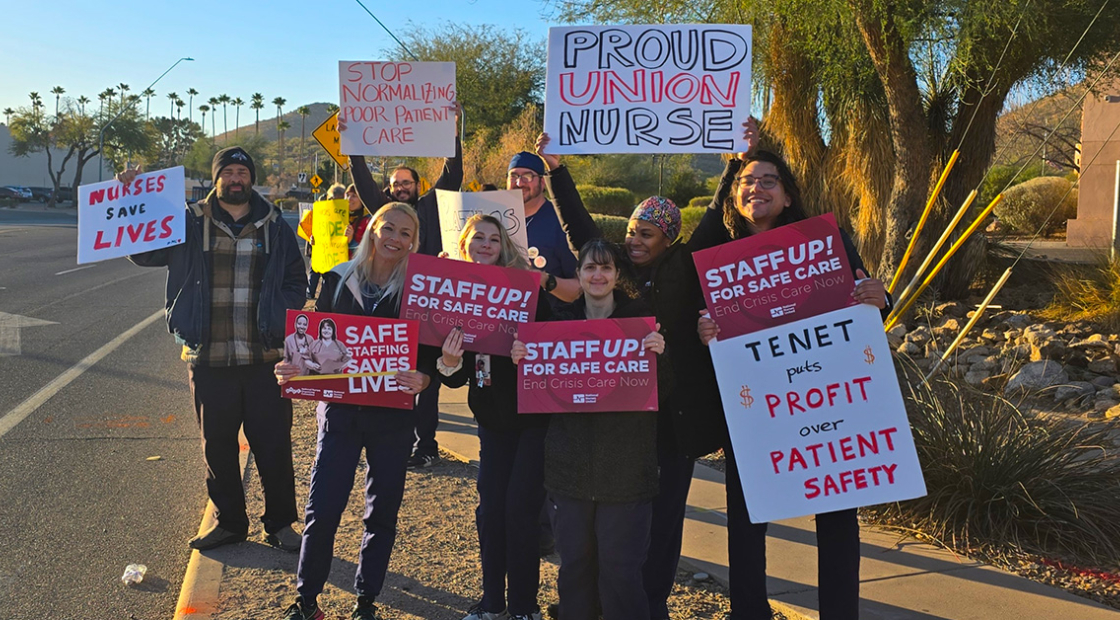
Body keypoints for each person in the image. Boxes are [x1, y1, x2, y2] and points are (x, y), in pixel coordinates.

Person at [541, 120, 758, 618]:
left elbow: (713, 217)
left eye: (647, 233)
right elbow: (579, 230)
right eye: (632, 231)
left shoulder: (686, 266)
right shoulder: (615, 267)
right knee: (615, 525)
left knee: (664, 524)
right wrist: (557, 170)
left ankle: (650, 605)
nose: (635, 240)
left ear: (669, 238)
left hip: (673, 424)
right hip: (620, 425)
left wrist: (734, 163)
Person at [695, 148, 889, 620]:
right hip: (755, 405)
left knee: (837, 514)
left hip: (826, 402)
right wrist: (704, 331)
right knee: (748, 514)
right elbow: (697, 320)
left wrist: (881, 297)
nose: (755, 188)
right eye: (746, 180)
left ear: (786, 196)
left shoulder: (823, 242)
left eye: (768, 180)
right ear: (733, 195)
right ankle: (748, 611)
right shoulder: (718, 256)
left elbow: (866, 305)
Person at [125, 146, 305, 552]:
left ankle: (280, 524)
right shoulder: (187, 221)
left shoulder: (276, 226)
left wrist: (283, 312)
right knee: (217, 448)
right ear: (216, 177)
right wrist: (135, 197)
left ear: (251, 178)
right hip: (208, 356)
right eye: (228, 172)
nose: (235, 179)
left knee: (274, 445)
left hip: (265, 358)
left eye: (242, 172)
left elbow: (297, 278)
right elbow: (143, 252)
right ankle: (229, 524)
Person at [274, 202, 438, 620]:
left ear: (414, 242)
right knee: (323, 509)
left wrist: (425, 377)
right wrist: (291, 367)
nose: (395, 238)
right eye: (388, 228)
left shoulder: (419, 291)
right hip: (340, 415)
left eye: (405, 233)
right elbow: (312, 346)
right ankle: (307, 601)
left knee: (381, 512)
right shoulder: (336, 279)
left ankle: (366, 601)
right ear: (372, 229)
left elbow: (429, 354)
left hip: (393, 418)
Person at [512, 238, 665, 620]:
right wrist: (523, 360)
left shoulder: (642, 323)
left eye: (606, 267)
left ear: (617, 274)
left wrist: (660, 357)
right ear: (578, 275)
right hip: (569, 470)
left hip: (627, 472)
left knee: (621, 571)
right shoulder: (554, 325)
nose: (598, 275)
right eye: (590, 267)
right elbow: (537, 399)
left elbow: (666, 393)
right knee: (575, 569)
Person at [436, 215, 552, 620]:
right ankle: (491, 603)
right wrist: (450, 360)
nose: (486, 244)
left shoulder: (528, 290)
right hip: (492, 420)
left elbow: (557, 343)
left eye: (493, 239)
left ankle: (524, 606)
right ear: (464, 245)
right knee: (490, 513)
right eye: (478, 238)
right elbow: (455, 378)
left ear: (503, 247)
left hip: (533, 420)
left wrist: (531, 350)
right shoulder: (453, 296)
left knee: (520, 511)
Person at [346, 104, 463, 469]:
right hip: (391, 304)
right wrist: (352, 145)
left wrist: (452, 130)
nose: (400, 188)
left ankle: (426, 446)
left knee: (426, 379)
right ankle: (385, 441)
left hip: (428, 305)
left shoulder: (432, 206)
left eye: (406, 183)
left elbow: (453, 174)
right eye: (396, 184)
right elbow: (363, 181)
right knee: (390, 374)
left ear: (417, 186)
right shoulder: (384, 210)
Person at [507, 143, 600, 308]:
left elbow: (582, 288)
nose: (519, 183)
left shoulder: (560, 222)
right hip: (499, 316)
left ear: (542, 183)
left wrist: (543, 280)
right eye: (513, 176)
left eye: (528, 176)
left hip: (549, 318)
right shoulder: (495, 220)